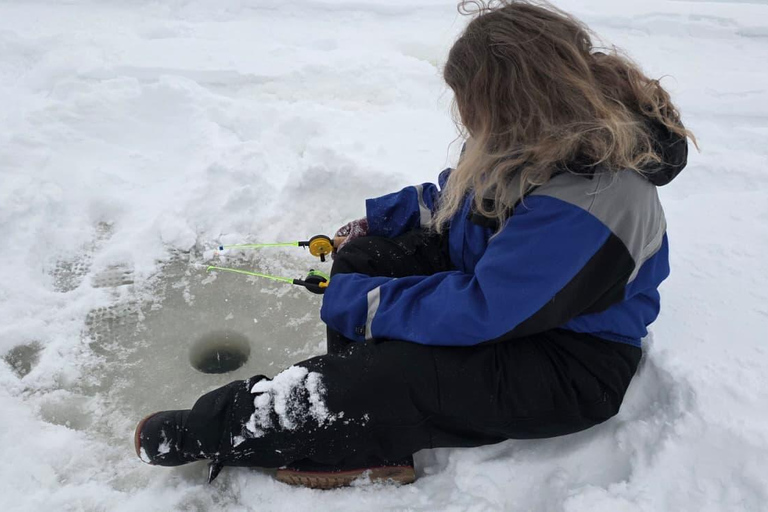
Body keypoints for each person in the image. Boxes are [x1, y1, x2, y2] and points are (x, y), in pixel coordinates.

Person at [134, 0, 694, 489]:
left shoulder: (594, 204)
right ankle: (366, 424)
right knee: (365, 261)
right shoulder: (549, 136)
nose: (469, 120)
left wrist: (365, 305)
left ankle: (227, 427)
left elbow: (484, 310)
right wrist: (384, 220)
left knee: (392, 368)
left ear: (517, 102)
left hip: (566, 362)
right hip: (512, 301)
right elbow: (470, 194)